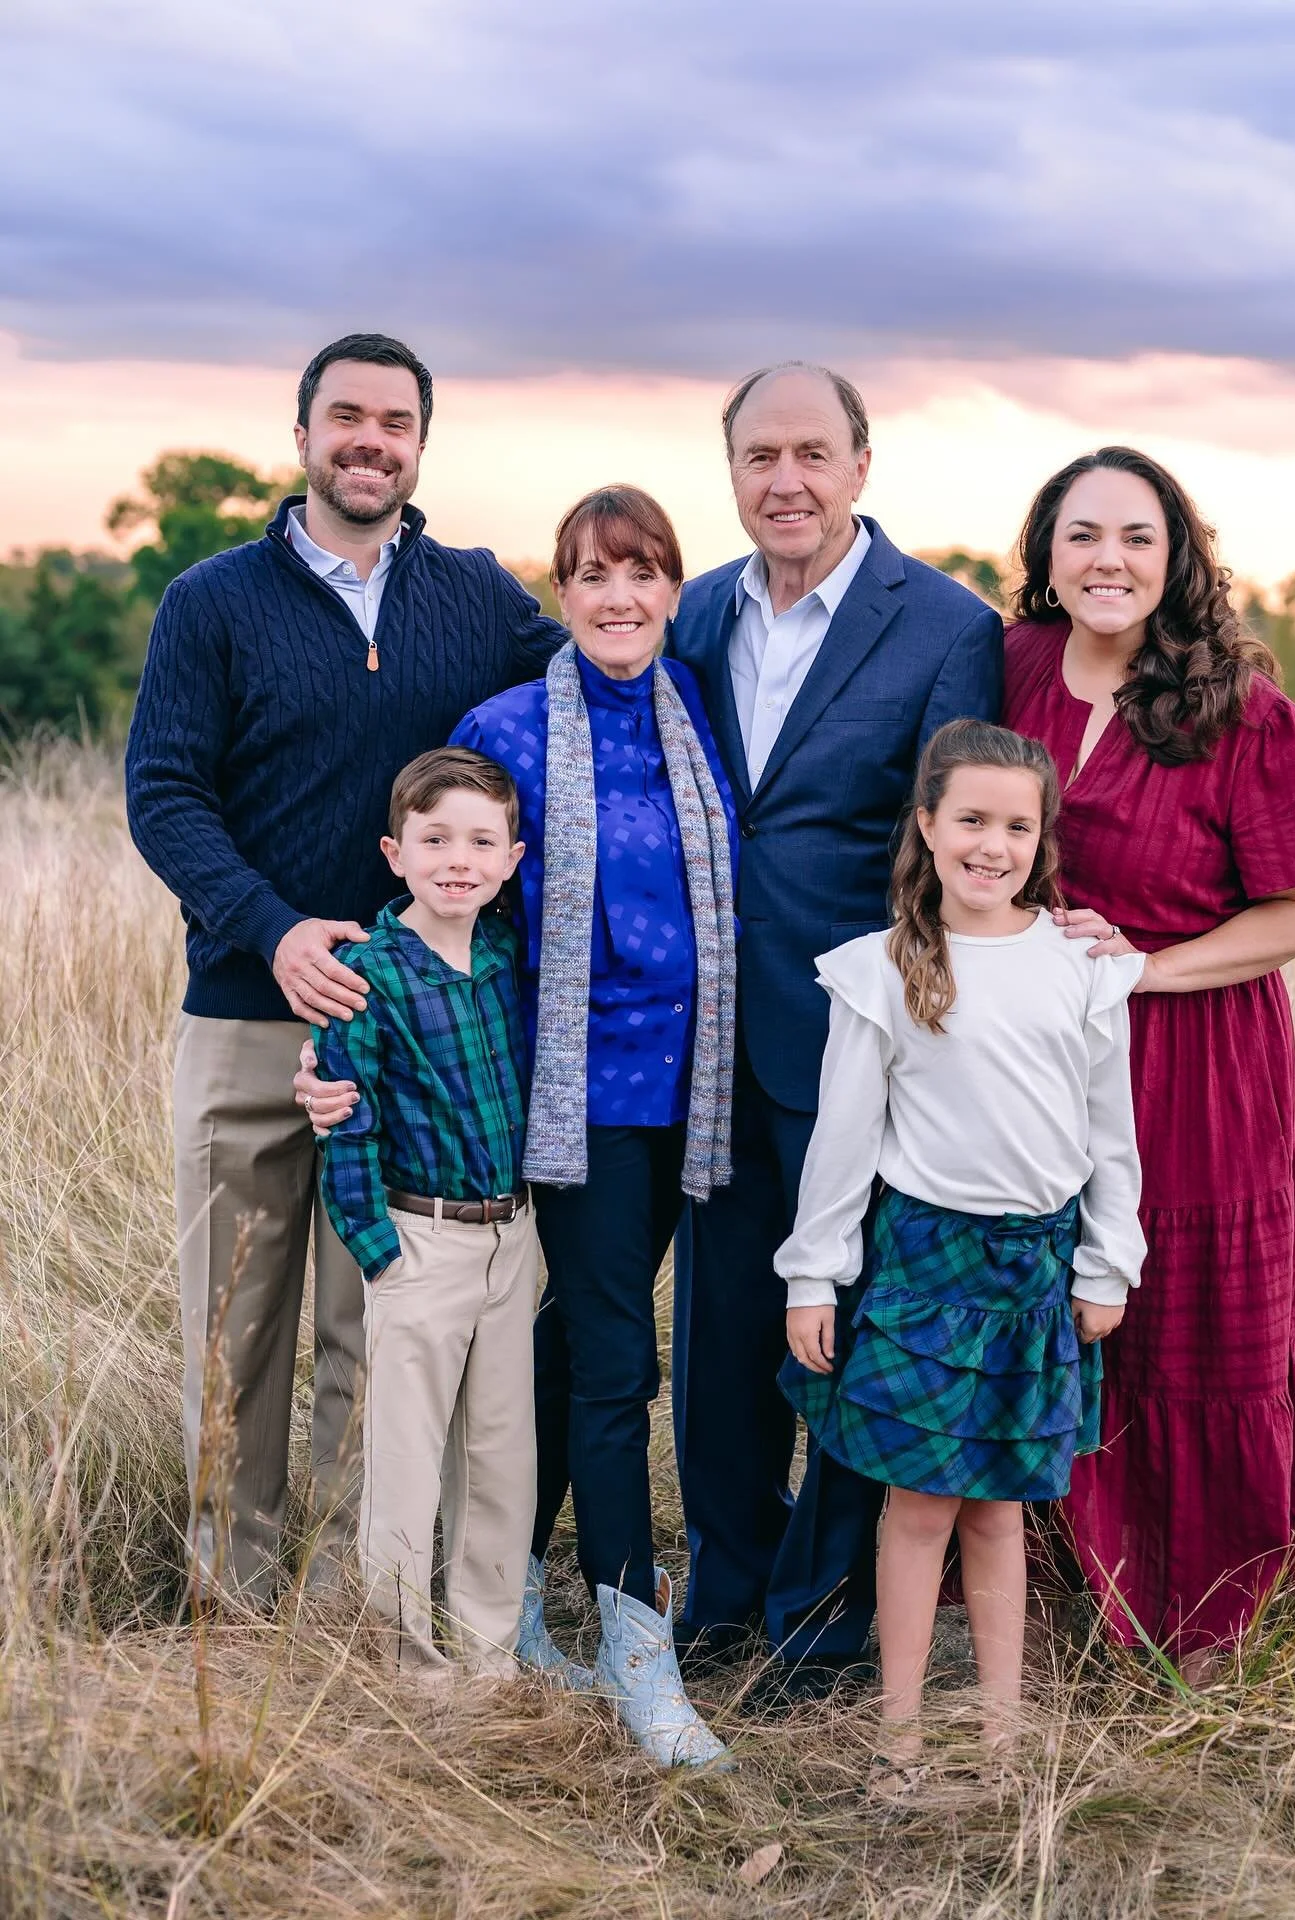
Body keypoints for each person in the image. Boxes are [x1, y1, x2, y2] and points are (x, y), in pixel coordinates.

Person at [125, 332, 563, 1604]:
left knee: (369, 1324)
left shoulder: (477, 596)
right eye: (346, 418)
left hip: (412, 1033)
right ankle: (233, 1593)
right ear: (303, 431)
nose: (370, 441)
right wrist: (274, 927)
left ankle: (341, 1599)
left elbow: (587, 682)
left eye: (395, 422)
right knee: (237, 1326)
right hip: (254, 1016)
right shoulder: (211, 599)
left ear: (421, 444)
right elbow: (163, 793)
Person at [308, 487, 738, 1765]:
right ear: (560, 595)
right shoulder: (506, 727)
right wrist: (350, 1059)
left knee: (559, 1351)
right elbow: (451, 890)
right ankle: (636, 1645)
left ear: (674, 590)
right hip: (575, 1103)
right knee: (616, 1364)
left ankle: (519, 1606)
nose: (619, 598)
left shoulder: (694, 710)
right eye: (593, 576)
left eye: (643, 574)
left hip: (693, 1090)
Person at [665, 363, 1004, 1696]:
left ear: (862, 465)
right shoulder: (694, 612)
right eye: (759, 456)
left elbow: (954, 842)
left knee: (852, 1337)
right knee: (723, 1337)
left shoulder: (944, 627)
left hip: (860, 1044)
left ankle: (824, 1618)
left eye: (812, 453)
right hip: (703, 1041)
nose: (785, 480)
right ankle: (724, 1591)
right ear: (733, 472)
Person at [1002, 446, 1295, 1680]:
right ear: (1046, 550)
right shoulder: (1010, 668)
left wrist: (1144, 967)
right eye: (1083, 534)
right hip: (1030, 1065)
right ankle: (1041, 1598)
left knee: (1185, 1325)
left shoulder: (1243, 708)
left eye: (1136, 538)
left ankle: (1201, 1620)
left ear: (1176, 557)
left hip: (1192, 1063)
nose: (1107, 561)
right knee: (1045, 1309)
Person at [777, 718, 1143, 1791]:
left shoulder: (1079, 964)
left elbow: (1108, 1131)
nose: (993, 845)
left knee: (1000, 1509)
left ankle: (998, 1737)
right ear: (927, 825)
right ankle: (896, 1739)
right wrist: (814, 1272)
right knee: (918, 1507)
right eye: (971, 819)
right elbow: (841, 1141)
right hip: (923, 1264)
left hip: (1037, 1269)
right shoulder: (881, 969)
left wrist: (1106, 1263)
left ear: (1043, 838)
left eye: (1017, 826)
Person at [314, 748, 536, 1676]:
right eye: (434, 838)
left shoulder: (502, 956)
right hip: (420, 1239)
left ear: (513, 860)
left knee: (499, 1457)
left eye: (482, 841)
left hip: (512, 1239)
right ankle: (407, 1658)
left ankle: (487, 1651)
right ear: (393, 851)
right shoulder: (368, 972)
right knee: (405, 1462)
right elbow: (345, 1122)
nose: (458, 859)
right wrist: (378, 1251)